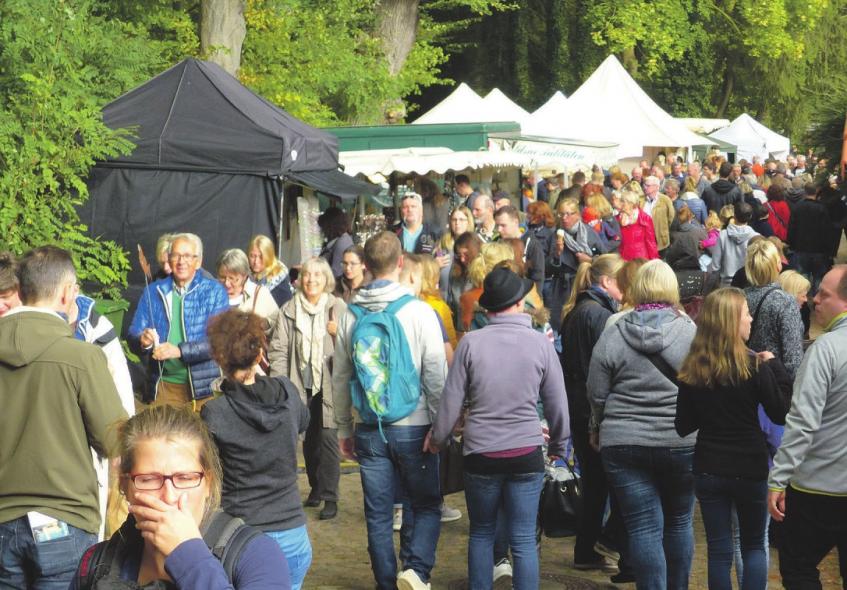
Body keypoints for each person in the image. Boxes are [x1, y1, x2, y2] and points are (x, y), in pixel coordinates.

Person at [430, 266, 569, 590]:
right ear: (519, 302)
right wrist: (559, 447)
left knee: (481, 532)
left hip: (481, 452)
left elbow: (451, 401)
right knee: (522, 539)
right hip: (526, 451)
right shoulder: (540, 344)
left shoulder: (471, 343)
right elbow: (557, 404)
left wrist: (438, 439)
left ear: (489, 306)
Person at [0, 246, 129, 588]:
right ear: (68, 293)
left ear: (21, 289)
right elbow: (115, 439)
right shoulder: (82, 357)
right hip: (65, 519)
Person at [332, 231, 447, 590]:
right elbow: (435, 373)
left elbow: (340, 376)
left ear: (365, 266)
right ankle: (415, 571)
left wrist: (343, 429)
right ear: (401, 263)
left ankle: (386, 582)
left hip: (370, 424)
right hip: (415, 425)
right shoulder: (420, 311)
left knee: (378, 514)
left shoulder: (350, 314)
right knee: (426, 503)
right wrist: (440, 426)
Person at [72, 404, 291, 589]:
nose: (169, 496)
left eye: (185, 478)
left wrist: (189, 556)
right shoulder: (95, 564)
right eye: (148, 479)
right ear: (124, 485)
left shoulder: (256, 556)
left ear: (208, 484)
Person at [587, 260, 698, 589]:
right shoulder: (689, 330)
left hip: (624, 442)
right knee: (679, 522)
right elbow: (705, 384)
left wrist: (596, 425)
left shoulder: (614, 330)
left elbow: (596, 390)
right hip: (682, 442)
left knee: (643, 527)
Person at [675, 288, 792, 590]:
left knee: (719, 549)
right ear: (731, 321)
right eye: (746, 313)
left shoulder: (694, 368)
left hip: (709, 464)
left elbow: (683, 425)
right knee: (753, 545)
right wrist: (775, 368)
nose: (751, 319)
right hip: (750, 464)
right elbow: (781, 413)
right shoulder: (754, 366)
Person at [203, 310, 311, 589]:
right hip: (294, 534)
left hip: (244, 538)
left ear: (218, 356)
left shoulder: (215, 413)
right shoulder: (288, 393)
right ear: (259, 351)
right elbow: (304, 421)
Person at [768, 265, 847, 589]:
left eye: (824, 294)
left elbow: (802, 422)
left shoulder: (825, 350)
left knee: (798, 567)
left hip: (818, 489)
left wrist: (779, 478)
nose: (815, 299)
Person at [559, 254, 630, 580]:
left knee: (595, 485)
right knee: (607, 484)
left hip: (578, 405)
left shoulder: (578, 310)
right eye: (622, 282)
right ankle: (602, 542)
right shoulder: (598, 315)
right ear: (607, 282)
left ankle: (587, 549)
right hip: (590, 409)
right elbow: (601, 370)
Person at [269, 257, 346, 521]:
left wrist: (338, 335)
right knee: (308, 441)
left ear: (326, 280)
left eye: (317, 275)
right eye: (307, 275)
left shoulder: (338, 308)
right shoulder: (288, 309)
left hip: (330, 384)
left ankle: (330, 496)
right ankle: (315, 488)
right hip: (299, 384)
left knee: (327, 439)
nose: (312, 280)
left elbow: (355, 345)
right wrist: (281, 384)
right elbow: (278, 349)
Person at [128, 233, 230, 408]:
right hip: (163, 386)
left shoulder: (214, 292)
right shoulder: (153, 291)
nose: (181, 261)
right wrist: (143, 341)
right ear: (169, 258)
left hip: (203, 388)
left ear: (198, 261)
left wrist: (180, 351)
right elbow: (133, 336)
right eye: (175, 255)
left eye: (187, 256)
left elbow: (219, 343)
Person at [742, 240, 804, 377]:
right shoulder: (785, 302)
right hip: (774, 379)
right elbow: (793, 359)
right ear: (778, 266)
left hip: (746, 375)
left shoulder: (740, 297)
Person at [547, 197, 608, 332]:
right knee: (563, 325)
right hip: (563, 287)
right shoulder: (555, 236)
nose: (564, 218)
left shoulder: (589, 233)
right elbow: (546, 268)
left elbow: (605, 260)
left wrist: (590, 260)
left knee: (582, 323)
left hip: (585, 284)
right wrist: (557, 254)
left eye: (568, 214)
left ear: (577, 215)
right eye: (561, 214)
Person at [216, 248, 279, 332]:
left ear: (244, 276)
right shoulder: (211, 294)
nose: (227, 283)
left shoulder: (260, 294)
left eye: (232, 279)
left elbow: (277, 322)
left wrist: (260, 325)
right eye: (222, 277)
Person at [787, 183, 834, 295]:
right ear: (816, 192)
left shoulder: (797, 207)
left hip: (801, 248)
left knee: (803, 277)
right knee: (818, 277)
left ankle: (803, 300)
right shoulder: (822, 208)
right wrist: (829, 250)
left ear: (805, 192)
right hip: (818, 250)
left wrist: (791, 244)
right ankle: (816, 299)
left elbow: (791, 228)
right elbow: (827, 231)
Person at [495, 205, 545, 294]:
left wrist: (533, 303)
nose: (499, 229)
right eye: (497, 225)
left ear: (515, 222)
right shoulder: (497, 242)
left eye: (503, 225)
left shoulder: (532, 244)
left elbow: (537, 278)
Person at [710, 201, 759, 285]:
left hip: (726, 283)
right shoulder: (756, 237)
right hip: (747, 283)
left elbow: (715, 265)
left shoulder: (723, 235)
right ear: (750, 217)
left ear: (734, 216)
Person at [447, 232, 482, 337]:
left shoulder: (482, 276)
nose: (462, 260)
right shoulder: (455, 273)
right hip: (459, 331)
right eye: (459, 255)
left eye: (466, 255)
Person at [438, 206, 475, 300]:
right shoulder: (442, 244)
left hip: (464, 299)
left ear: (468, 222)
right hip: (443, 298)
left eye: (461, 220)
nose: (457, 223)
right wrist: (435, 264)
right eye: (454, 219)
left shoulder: (475, 244)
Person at [248, 234, 293, 307]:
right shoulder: (248, 275)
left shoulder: (280, 286)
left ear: (268, 256)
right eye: (252, 256)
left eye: (261, 257)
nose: (256, 261)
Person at [618, 190, 659, 262]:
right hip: (622, 257)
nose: (620, 203)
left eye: (622, 201)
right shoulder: (617, 218)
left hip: (640, 257)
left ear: (631, 203)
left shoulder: (644, 218)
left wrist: (654, 260)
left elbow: (650, 241)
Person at [318, 207, 355, 279]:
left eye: (323, 227)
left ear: (330, 226)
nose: (322, 231)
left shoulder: (341, 243)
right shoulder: (339, 240)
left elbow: (336, 273)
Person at [643, 176, 675, 256]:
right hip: (644, 239)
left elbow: (671, 219)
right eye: (644, 185)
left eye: (648, 185)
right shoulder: (641, 200)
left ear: (656, 187)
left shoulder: (665, 200)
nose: (644, 187)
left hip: (660, 240)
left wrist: (664, 232)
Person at [778, 270, 812, 340]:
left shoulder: (804, 309)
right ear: (792, 295)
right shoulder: (789, 317)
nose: (806, 300)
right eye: (803, 296)